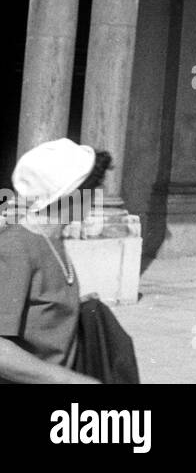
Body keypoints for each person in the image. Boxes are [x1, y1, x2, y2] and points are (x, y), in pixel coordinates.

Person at [0, 138, 111, 384]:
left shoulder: (52, 240)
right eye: (92, 189)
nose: (96, 197)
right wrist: (70, 380)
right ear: (71, 195)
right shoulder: (15, 247)